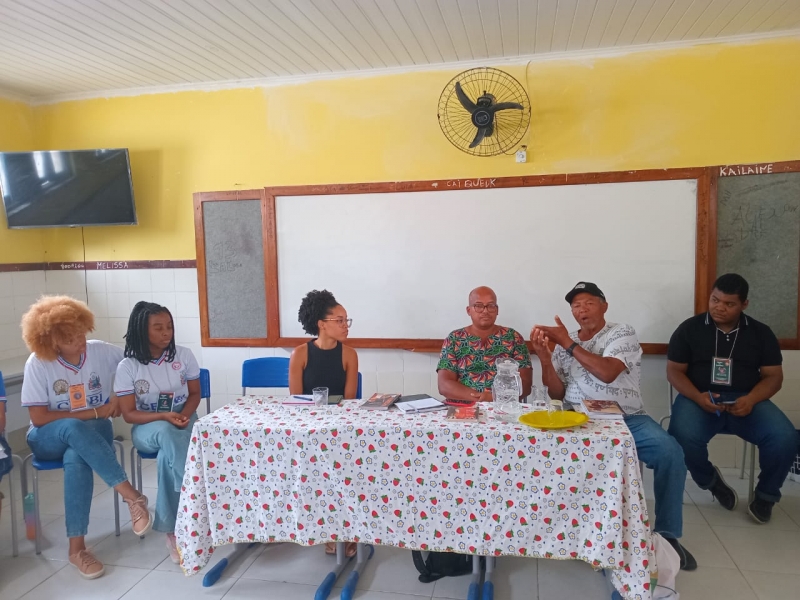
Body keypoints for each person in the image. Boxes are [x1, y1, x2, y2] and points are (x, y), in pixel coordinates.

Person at [532, 282, 696, 570]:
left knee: (670, 454)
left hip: (627, 418)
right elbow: (557, 394)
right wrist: (546, 359)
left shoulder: (621, 333)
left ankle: (668, 537)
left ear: (604, 306)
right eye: (576, 305)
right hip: (577, 419)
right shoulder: (565, 342)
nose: (582, 309)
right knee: (546, 454)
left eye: (589, 303)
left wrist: (568, 344)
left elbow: (608, 373)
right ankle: (569, 534)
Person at [20, 296, 151, 579]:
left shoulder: (100, 351)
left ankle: (76, 549)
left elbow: (136, 366)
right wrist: (94, 411)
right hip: (47, 437)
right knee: (71, 428)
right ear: (52, 341)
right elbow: (39, 418)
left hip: (94, 431)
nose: (80, 342)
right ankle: (132, 497)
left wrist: (118, 396)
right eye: (70, 339)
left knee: (76, 456)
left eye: (81, 333)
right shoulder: (38, 363)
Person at [666, 273, 798, 524]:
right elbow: (674, 371)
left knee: (785, 438)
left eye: (729, 304)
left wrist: (751, 399)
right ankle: (711, 482)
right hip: (699, 398)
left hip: (747, 399)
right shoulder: (689, 329)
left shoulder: (760, 333)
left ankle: (766, 495)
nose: (719, 307)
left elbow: (773, 377)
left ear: (744, 304)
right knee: (681, 436)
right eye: (715, 300)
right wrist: (697, 397)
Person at [115, 301, 201, 563]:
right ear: (142, 330)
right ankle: (194, 493)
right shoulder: (128, 366)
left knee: (167, 457)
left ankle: (173, 531)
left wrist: (183, 415)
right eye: (158, 327)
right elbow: (129, 413)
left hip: (185, 418)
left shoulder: (183, 355)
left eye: (169, 327)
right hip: (147, 426)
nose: (166, 333)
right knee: (165, 432)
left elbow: (195, 394)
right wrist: (164, 416)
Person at [289, 289, 358, 556]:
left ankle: (347, 530)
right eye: (339, 320)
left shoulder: (349, 354)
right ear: (321, 324)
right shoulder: (300, 354)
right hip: (308, 430)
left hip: (339, 429)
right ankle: (324, 530)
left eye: (346, 320)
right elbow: (296, 400)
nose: (345, 325)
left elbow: (349, 402)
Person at [437, 286, 532, 401]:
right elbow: (444, 385)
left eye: (491, 306)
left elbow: (525, 385)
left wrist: (493, 398)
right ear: (468, 310)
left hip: (503, 406)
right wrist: (480, 398)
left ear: (497, 310)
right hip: (463, 405)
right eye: (478, 306)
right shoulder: (455, 339)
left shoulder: (513, 337)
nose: (485, 311)